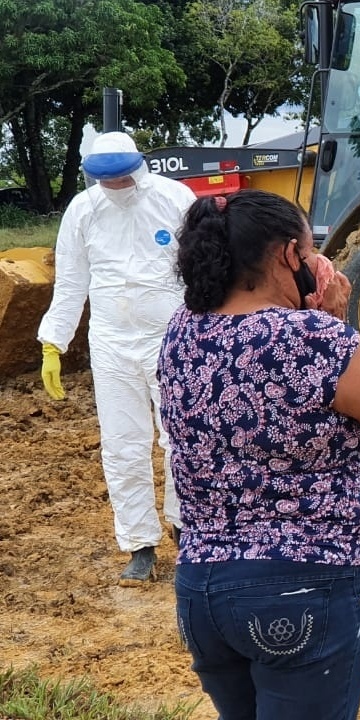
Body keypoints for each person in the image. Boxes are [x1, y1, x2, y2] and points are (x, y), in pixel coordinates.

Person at [157, 189, 360, 720]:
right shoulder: (310, 337)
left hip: (201, 586)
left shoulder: (182, 330)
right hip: (304, 580)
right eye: (310, 250)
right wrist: (336, 323)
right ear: (288, 255)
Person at [37, 131, 196, 585]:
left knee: (182, 437)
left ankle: (187, 528)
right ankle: (140, 545)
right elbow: (71, 282)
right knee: (123, 444)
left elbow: (202, 268)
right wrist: (53, 342)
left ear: (138, 169)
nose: (117, 187)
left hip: (171, 337)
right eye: (108, 180)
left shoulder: (174, 198)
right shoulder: (83, 210)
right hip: (110, 343)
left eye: (123, 178)